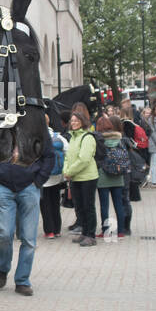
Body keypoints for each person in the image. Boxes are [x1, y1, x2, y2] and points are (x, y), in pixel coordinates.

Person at [0, 133, 55, 296]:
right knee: (4, 234)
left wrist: (39, 180)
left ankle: (22, 281)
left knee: (29, 238)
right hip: (3, 187)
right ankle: (3, 268)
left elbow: (50, 156)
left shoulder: (36, 127)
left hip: (29, 187)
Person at [62, 106, 99, 247]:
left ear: (82, 121)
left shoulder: (87, 137)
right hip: (75, 178)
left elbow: (84, 159)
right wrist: (66, 170)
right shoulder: (73, 137)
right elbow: (68, 157)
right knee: (79, 207)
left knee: (88, 206)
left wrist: (69, 172)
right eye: (72, 121)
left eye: (76, 120)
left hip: (87, 178)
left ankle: (91, 235)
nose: (74, 123)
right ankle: (84, 232)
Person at [94, 116, 129, 236]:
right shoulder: (119, 139)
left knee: (104, 206)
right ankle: (121, 231)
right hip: (118, 176)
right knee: (118, 204)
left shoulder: (98, 139)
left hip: (103, 176)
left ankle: (105, 231)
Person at [40, 114, 68, 239]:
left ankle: (49, 231)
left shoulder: (38, 137)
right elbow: (68, 152)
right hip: (57, 177)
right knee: (55, 204)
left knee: (45, 205)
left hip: (43, 178)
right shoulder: (58, 137)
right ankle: (57, 230)